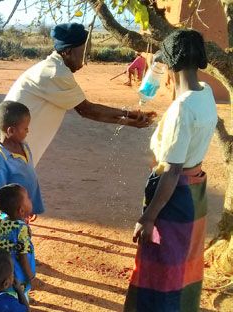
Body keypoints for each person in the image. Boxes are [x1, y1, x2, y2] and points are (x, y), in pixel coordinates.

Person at [124, 29, 218, 312]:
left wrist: (148, 217)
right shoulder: (206, 93)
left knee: (163, 271)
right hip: (194, 193)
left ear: (170, 64)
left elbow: (173, 171)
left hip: (173, 198)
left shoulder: (181, 109)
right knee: (184, 267)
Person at [0, 22, 156, 167]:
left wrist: (131, 117)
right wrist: (131, 118)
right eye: (84, 52)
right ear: (67, 51)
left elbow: (87, 110)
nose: (85, 59)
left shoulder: (54, 68)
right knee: (14, 206)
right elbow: (87, 110)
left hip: (9, 150)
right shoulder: (55, 72)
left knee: (18, 204)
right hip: (5, 151)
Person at [0, 101, 45, 219]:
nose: (28, 131)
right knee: (18, 235)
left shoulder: (23, 145)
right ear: (11, 131)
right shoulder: (0, 160)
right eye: (25, 128)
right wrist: (6, 220)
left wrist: (30, 205)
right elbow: (0, 194)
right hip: (15, 216)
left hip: (25, 208)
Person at [0, 184, 36, 299]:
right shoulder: (21, 229)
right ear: (21, 210)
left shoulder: (0, 221)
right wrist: (31, 277)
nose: (30, 199)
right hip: (19, 274)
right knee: (20, 297)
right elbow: (23, 257)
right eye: (27, 198)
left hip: (5, 270)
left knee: (10, 295)